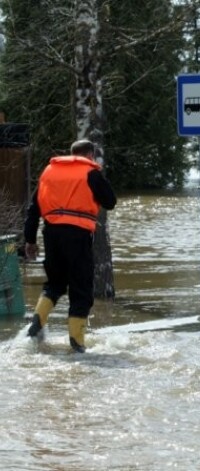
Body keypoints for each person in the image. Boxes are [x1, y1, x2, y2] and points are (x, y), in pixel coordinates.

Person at [24, 139, 117, 353]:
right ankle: (77, 344)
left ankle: (38, 320)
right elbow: (110, 201)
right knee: (81, 289)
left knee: (54, 284)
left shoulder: (49, 172)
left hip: (51, 234)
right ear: (91, 155)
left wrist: (30, 240)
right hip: (78, 235)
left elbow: (33, 210)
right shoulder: (90, 173)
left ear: (71, 153)